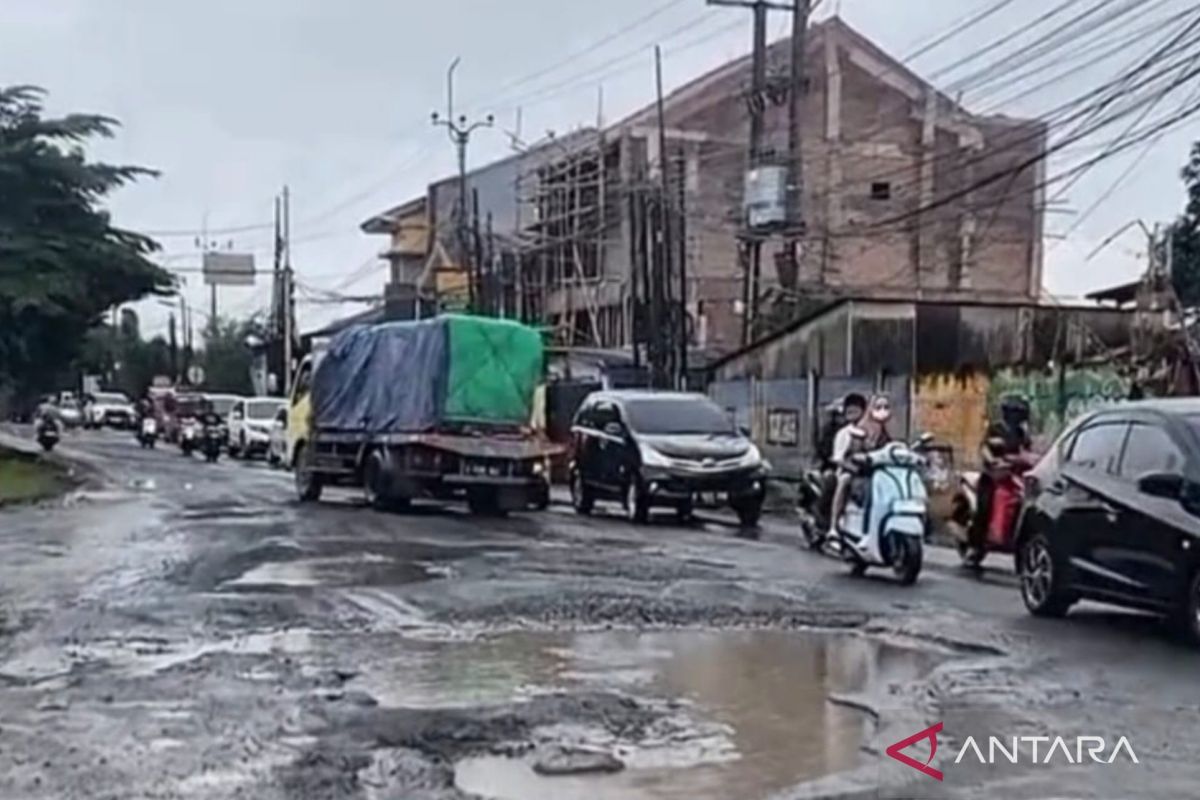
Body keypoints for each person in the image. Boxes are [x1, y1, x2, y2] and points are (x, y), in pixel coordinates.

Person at [968, 394, 1033, 556]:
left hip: (1014, 475)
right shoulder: (996, 428)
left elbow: (1027, 452)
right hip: (993, 476)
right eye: (1017, 412)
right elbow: (984, 448)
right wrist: (993, 461)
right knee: (985, 507)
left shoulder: (1021, 433)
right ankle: (975, 544)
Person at [827, 393, 879, 537]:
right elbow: (837, 458)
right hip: (847, 471)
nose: (851, 414)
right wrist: (852, 467)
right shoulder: (844, 433)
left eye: (855, 410)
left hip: (869, 473)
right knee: (844, 481)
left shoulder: (872, 432)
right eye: (848, 411)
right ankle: (834, 526)